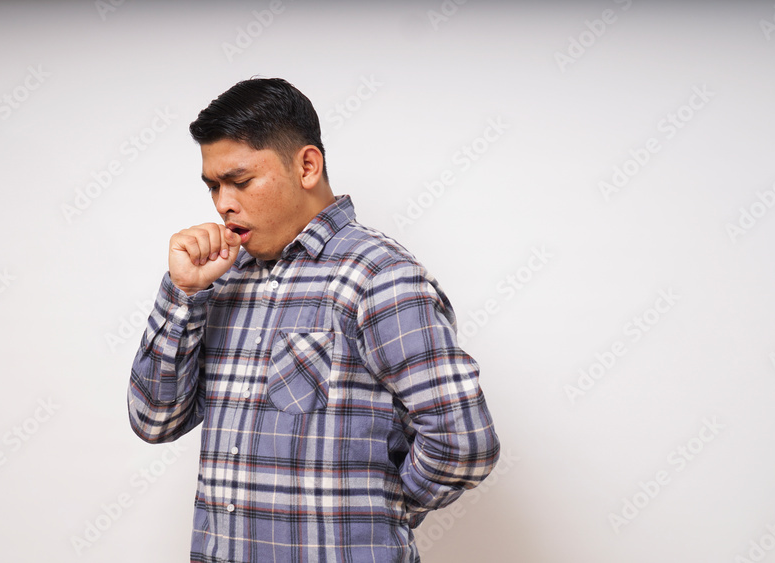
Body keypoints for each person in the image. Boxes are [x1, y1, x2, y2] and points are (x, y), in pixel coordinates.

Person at [127, 77, 500, 562]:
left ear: (307, 166)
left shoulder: (379, 276)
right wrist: (184, 294)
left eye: (240, 181)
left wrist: (380, 510)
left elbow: (464, 442)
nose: (222, 203)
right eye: (214, 186)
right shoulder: (219, 277)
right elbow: (154, 420)